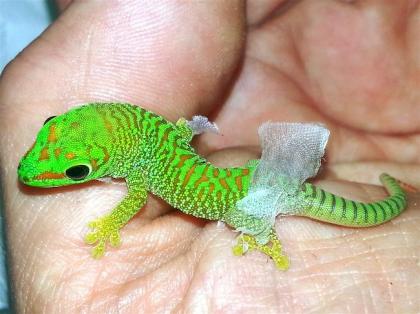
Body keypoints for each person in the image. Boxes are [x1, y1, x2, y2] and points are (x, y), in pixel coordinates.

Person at [0, 1, 419, 312]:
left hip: (240, 202)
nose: (32, 167)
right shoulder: (160, 135)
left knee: (242, 209)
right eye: (77, 170)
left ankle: (261, 229)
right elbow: (175, 140)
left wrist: (110, 224)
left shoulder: (143, 167)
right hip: (253, 180)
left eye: (77, 171)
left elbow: (132, 200)